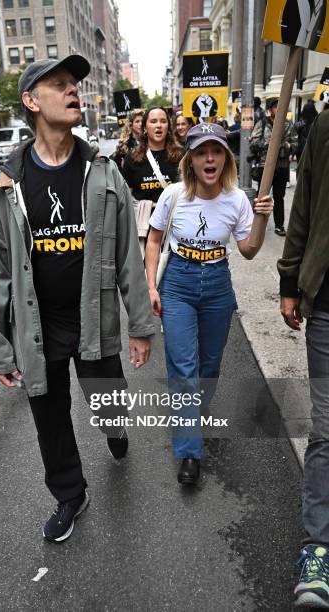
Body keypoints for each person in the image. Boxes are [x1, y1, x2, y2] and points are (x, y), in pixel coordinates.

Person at [0, 55, 155, 544]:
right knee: (49, 416)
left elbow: (126, 254)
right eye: (59, 84)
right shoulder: (6, 184)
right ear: (32, 101)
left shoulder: (101, 171)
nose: (73, 89)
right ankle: (69, 494)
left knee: (108, 402)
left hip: (94, 318)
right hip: (38, 326)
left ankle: (115, 430)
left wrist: (140, 325)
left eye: (74, 83)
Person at [145, 123, 273, 485]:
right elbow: (154, 241)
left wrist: (262, 217)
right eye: (201, 152)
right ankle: (189, 451)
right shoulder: (172, 195)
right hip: (179, 284)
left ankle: (193, 412)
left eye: (216, 151)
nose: (209, 158)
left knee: (210, 365)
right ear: (191, 159)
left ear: (225, 157)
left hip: (218, 283)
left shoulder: (237, 199)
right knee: (184, 369)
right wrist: (151, 286)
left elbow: (249, 251)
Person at [278, 109, 329, 610]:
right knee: (326, 429)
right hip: (328, 300)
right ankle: (318, 550)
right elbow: (305, 207)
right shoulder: (326, 125)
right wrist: (290, 278)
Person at [122, 106, 183, 255]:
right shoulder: (132, 159)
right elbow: (126, 198)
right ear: (144, 127)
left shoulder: (181, 156)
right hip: (144, 228)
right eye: (153, 121)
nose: (158, 125)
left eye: (163, 121)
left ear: (168, 126)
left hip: (175, 227)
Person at [250, 96, 297, 237]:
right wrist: (268, 144)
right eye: (275, 106)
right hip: (265, 165)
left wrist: (287, 146)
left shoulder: (288, 125)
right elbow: (253, 142)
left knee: (279, 196)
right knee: (261, 195)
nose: (278, 109)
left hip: (282, 166)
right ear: (270, 109)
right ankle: (256, 225)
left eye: (280, 106)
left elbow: (295, 143)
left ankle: (279, 225)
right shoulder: (262, 123)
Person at [111, 108, 144, 172]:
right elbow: (115, 166)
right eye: (137, 121)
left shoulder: (149, 141)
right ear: (131, 125)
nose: (141, 124)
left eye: (142, 121)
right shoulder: (124, 145)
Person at [294, 100, 318, 165]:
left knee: (300, 168)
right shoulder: (317, 124)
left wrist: (292, 153)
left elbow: (294, 140)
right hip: (313, 151)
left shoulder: (298, 125)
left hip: (301, 150)